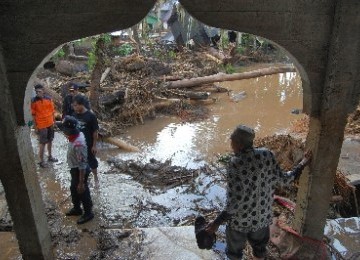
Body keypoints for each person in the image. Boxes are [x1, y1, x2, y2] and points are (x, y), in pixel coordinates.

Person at [206, 125, 312, 260]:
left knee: (234, 254)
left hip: (240, 223)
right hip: (261, 219)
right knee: (260, 251)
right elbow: (285, 180)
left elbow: (234, 203)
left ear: (238, 144)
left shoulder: (235, 163)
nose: (231, 144)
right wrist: (303, 163)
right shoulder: (266, 155)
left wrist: (215, 224)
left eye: (232, 140)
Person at [59, 115, 94, 224]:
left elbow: (82, 164)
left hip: (80, 171)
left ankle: (88, 213)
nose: (62, 131)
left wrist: (81, 182)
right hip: (75, 169)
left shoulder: (78, 144)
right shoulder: (76, 134)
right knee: (73, 190)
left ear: (69, 130)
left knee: (82, 190)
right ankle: (77, 209)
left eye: (64, 129)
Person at [72, 95, 99, 187]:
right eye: (73, 105)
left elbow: (95, 131)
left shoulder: (90, 116)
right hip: (78, 144)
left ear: (81, 105)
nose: (74, 107)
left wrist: (94, 145)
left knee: (92, 162)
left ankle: (96, 178)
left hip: (89, 144)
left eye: (76, 105)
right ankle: (84, 178)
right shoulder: (74, 115)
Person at [31, 84, 58, 168]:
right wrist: (35, 127)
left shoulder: (48, 99)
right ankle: (41, 161)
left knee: (50, 140)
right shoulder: (34, 101)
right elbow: (33, 115)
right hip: (41, 125)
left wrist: (54, 122)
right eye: (36, 91)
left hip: (50, 123)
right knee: (42, 143)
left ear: (43, 90)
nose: (38, 93)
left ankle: (50, 156)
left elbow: (52, 111)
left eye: (39, 91)